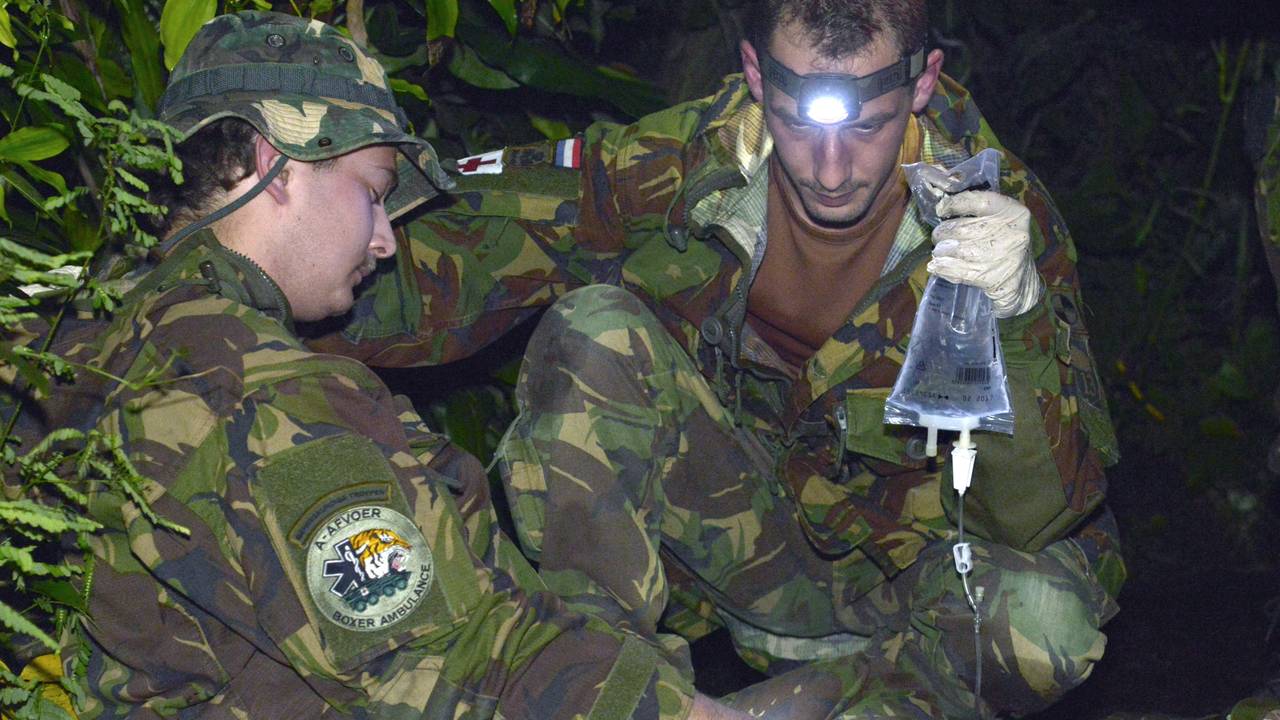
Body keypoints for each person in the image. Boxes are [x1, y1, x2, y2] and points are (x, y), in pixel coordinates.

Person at [315, 0, 1126, 717]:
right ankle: (605, 692)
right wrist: (241, 277)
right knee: (595, 328)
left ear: (922, 85)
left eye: (868, 126)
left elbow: (1039, 517)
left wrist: (1015, 318)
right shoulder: (683, 165)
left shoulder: (995, 219)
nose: (831, 169)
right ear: (753, 75)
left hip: (913, 592)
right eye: (800, 119)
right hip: (748, 546)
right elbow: (460, 245)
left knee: (1045, 624)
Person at [11, 11, 770, 719]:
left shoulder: (63, 340)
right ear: (276, 164)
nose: (384, 241)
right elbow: (459, 669)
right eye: (374, 194)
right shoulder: (261, 395)